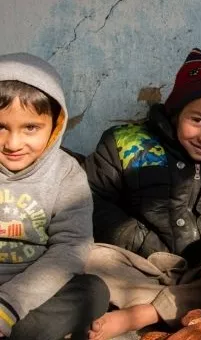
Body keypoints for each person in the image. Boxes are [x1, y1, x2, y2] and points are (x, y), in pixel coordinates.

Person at [84, 48, 201, 340]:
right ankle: (180, 308)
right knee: (88, 258)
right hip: (142, 264)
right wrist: (141, 241)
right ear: (175, 112)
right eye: (197, 120)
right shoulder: (126, 144)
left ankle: (143, 314)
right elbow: (92, 198)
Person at [0, 53, 108, 340]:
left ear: (55, 126)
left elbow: (70, 249)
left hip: (33, 294)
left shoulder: (66, 174)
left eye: (30, 128)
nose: (12, 143)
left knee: (94, 290)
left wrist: (7, 307)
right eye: (0, 127)